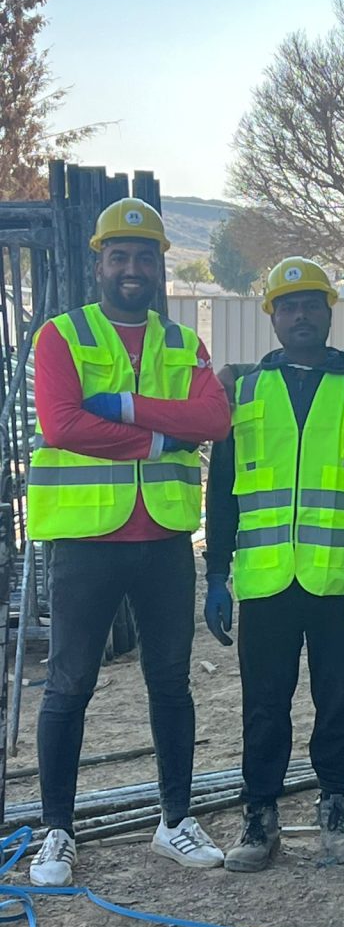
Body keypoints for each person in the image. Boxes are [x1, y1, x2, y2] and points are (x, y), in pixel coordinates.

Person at [27, 198, 231, 886]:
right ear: (100, 264)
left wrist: (121, 407)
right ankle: (57, 831)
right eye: (120, 256)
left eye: (145, 256)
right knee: (69, 683)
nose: (133, 268)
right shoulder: (62, 336)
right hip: (85, 539)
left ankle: (175, 820)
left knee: (170, 682)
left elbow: (214, 419)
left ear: (159, 265)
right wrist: (162, 437)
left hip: (166, 536)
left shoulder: (182, 343)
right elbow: (62, 425)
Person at [205, 258, 344, 872]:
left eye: (311, 305)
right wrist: (214, 575)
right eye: (289, 306)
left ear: (329, 312)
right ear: (271, 316)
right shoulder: (244, 391)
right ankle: (260, 817)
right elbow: (223, 490)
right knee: (264, 704)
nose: (301, 316)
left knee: (340, 699)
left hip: (341, 577)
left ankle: (336, 808)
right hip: (266, 579)